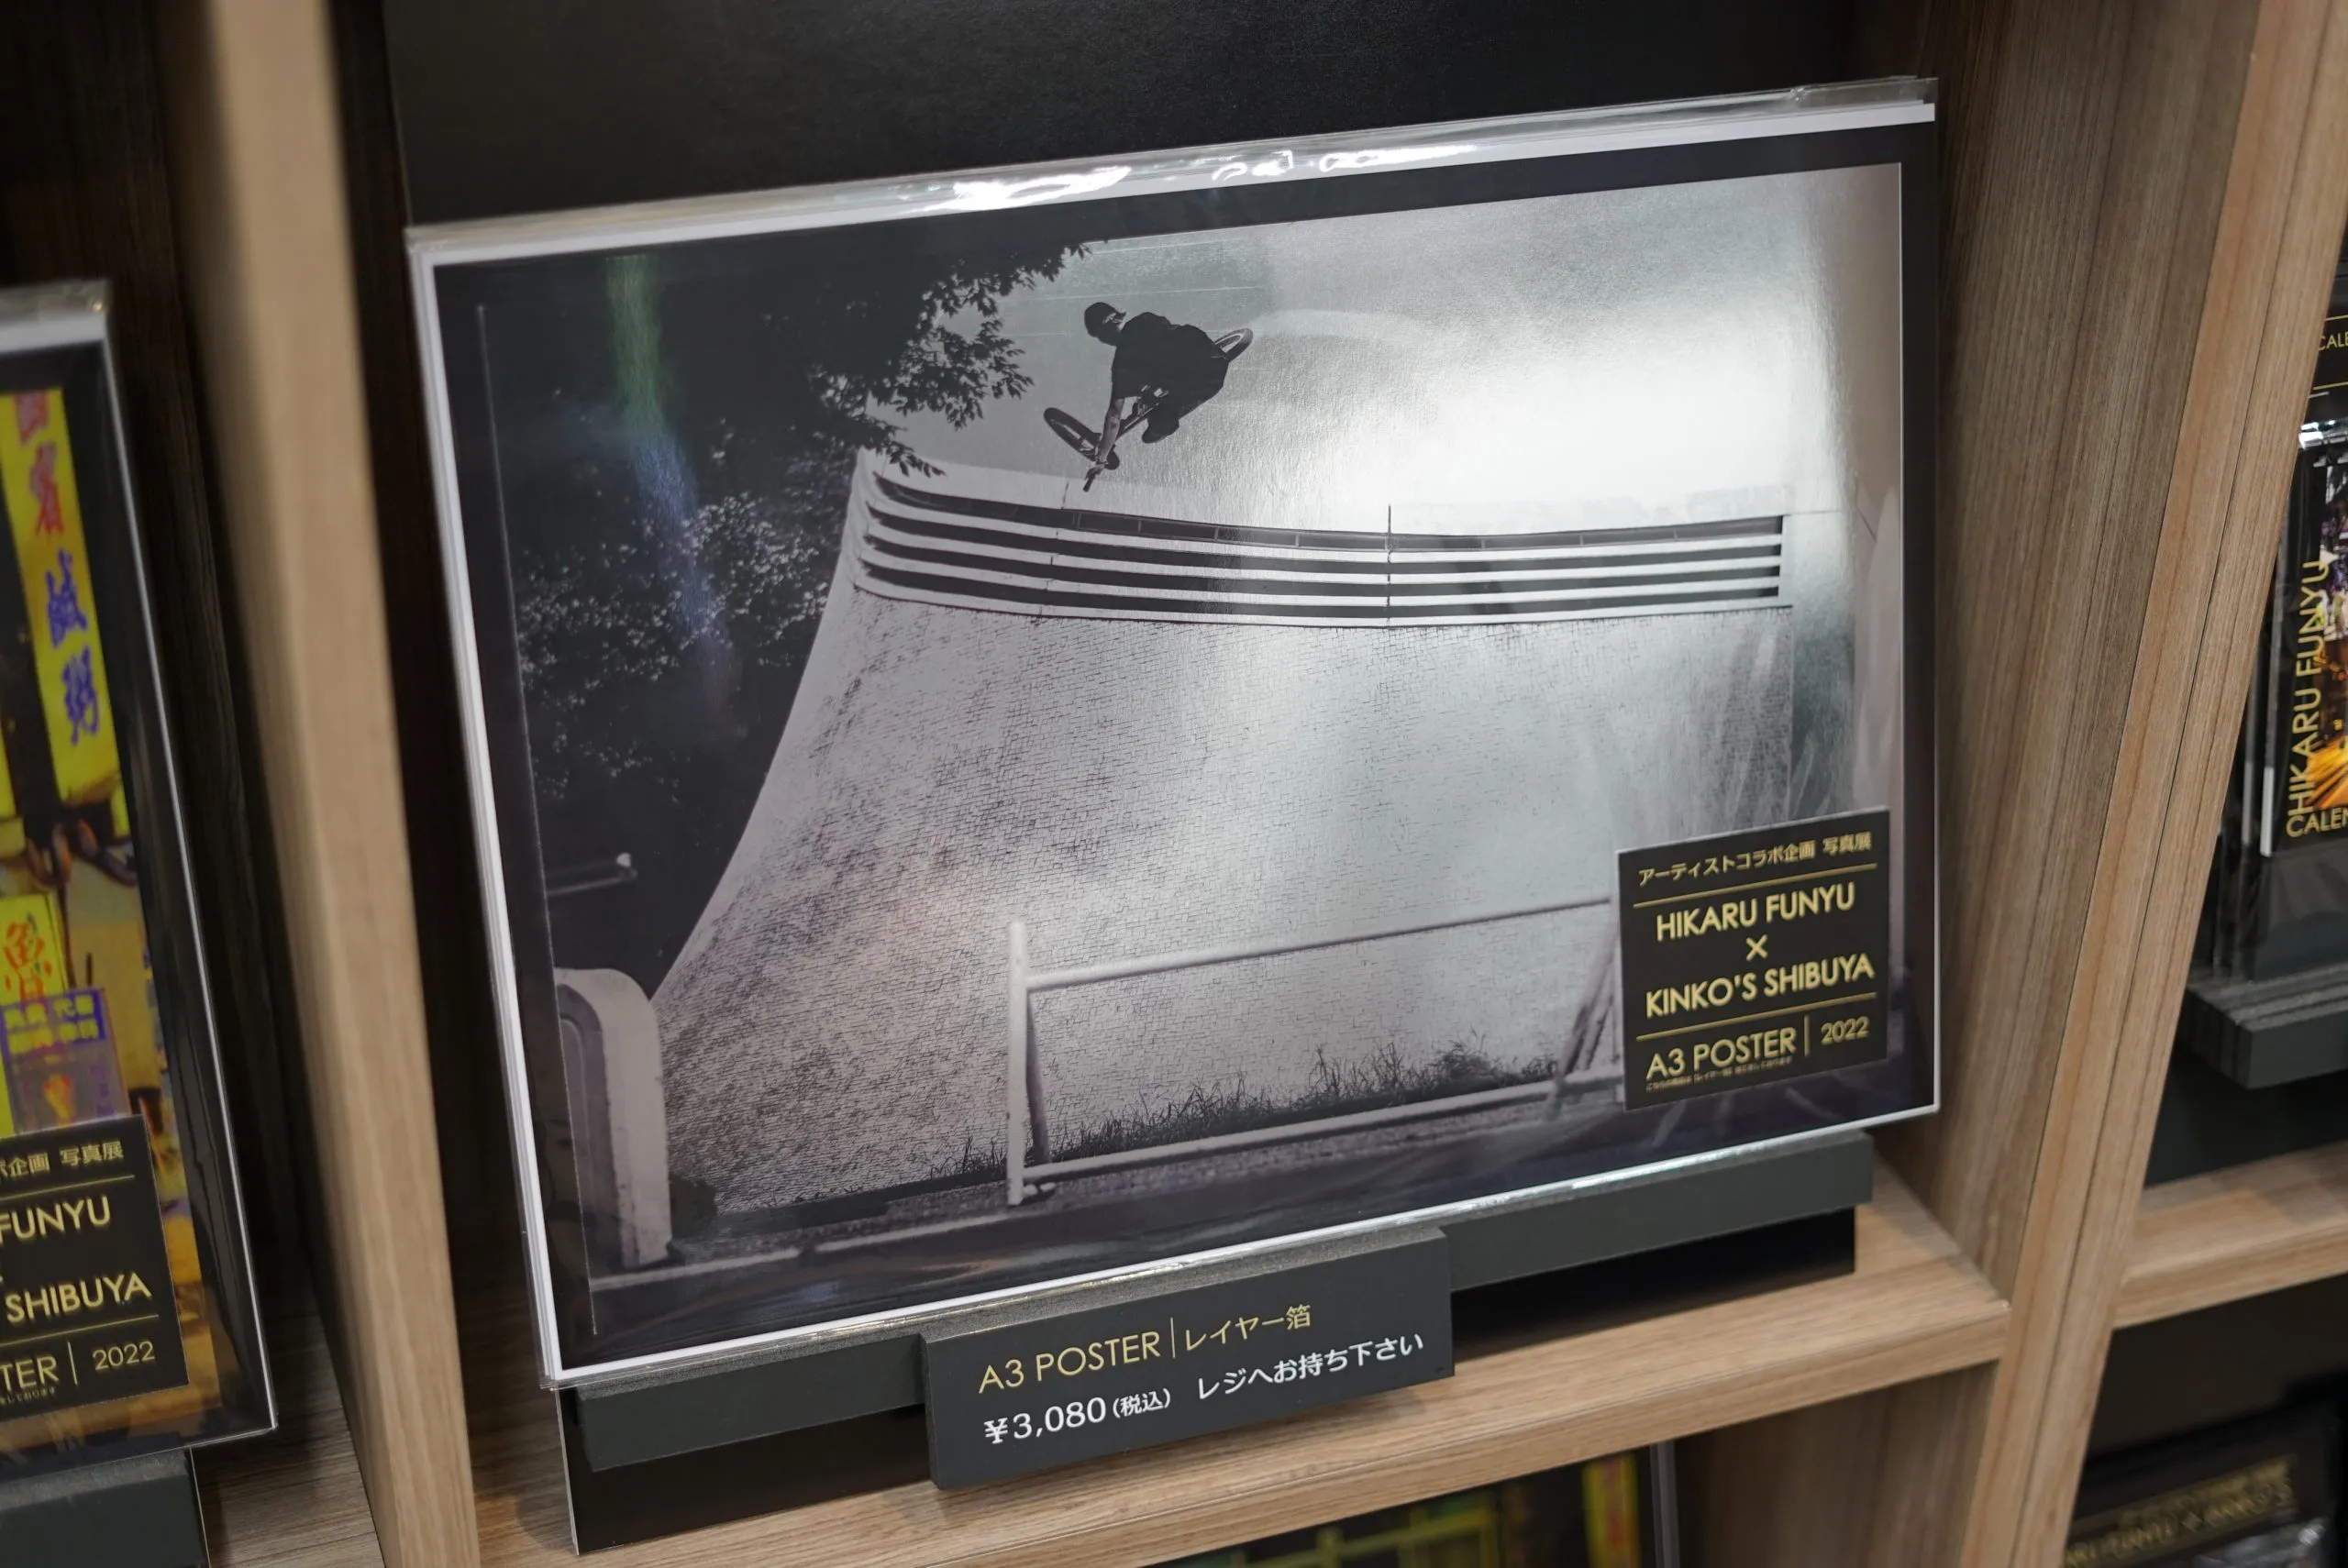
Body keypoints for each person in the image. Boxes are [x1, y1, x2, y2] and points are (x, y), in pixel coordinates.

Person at [1084, 302, 1232, 443]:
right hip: (1212, 364)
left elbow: (1114, 415)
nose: (1102, 340)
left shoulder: (1121, 364)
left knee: (1158, 420)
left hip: (1201, 384)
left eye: (1099, 335)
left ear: (1103, 331)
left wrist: (1102, 456)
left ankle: (1162, 423)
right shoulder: (1144, 319)